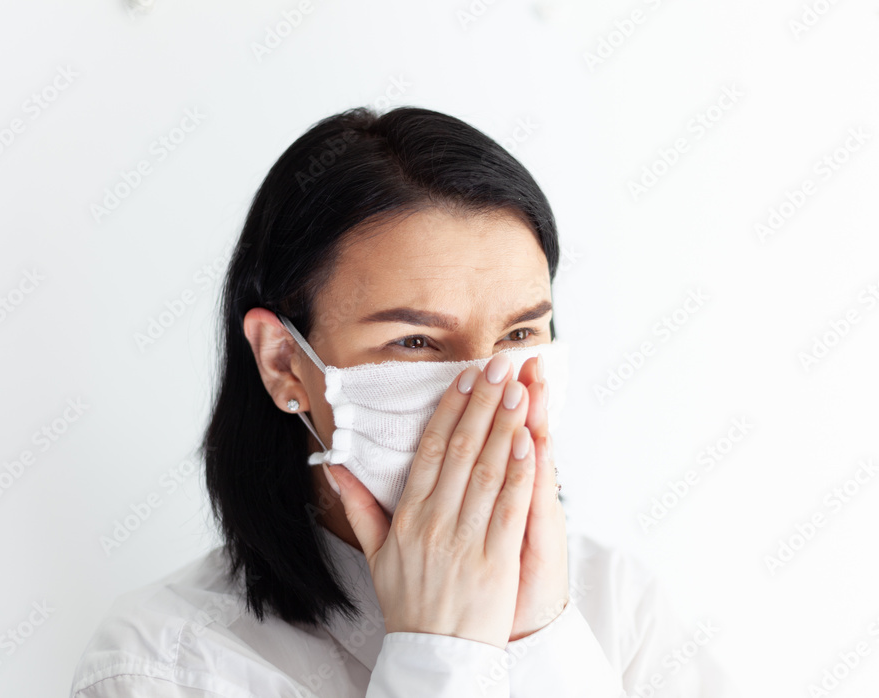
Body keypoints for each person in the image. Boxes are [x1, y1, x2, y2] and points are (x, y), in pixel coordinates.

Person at [70, 106, 741, 697]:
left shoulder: (621, 609)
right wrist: (439, 660)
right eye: (415, 341)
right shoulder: (163, 667)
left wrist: (540, 638)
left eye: (518, 335)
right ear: (283, 363)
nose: (487, 390)